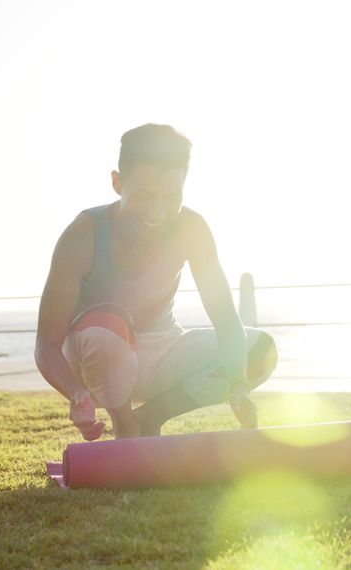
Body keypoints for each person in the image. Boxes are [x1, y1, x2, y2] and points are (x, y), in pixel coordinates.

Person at [35, 124, 278, 440]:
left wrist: (238, 385)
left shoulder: (192, 228)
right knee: (107, 324)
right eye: (144, 196)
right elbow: (47, 345)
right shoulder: (83, 236)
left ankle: (149, 417)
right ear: (117, 183)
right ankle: (124, 424)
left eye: (171, 196)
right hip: (94, 358)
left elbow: (226, 321)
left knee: (260, 350)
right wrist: (75, 393)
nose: (157, 212)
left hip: (162, 350)